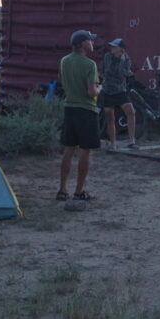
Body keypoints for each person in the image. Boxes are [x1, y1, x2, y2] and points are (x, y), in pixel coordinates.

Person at [57, 29, 101, 207]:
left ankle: (62, 189)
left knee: (68, 149)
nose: (92, 43)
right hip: (86, 110)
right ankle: (79, 191)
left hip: (70, 108)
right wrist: (99, 89)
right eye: (90, 40)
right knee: (85, 150)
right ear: (83, 44)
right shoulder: (90, 65)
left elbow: (62, 81)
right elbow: (91, 92)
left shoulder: (64, 61)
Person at [102, 38, 137, 150]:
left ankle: (132, 141)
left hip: (120, 91)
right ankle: (113, 144)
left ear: (121, 49)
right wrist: (124, 72)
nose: (112, 48)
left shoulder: (126, 59)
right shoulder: (107, 57)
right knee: (110, 118)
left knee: (131, 111)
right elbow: (109, 71)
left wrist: (126, 72)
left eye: (114, 46)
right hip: (107, 91)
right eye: (111, 46)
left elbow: (122, 74)